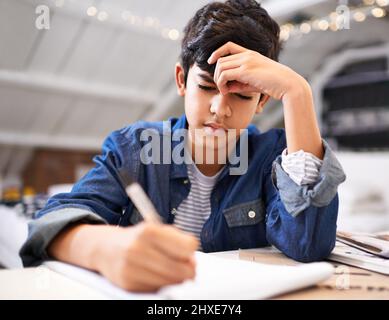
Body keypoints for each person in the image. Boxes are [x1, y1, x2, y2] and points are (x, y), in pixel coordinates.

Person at [20, 0, 346, 292]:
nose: (220, 108)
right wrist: (103, 248)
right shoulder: (134, 148)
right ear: (181, 81)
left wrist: (297, 93)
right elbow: (52, 221)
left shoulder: (272, 156)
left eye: (242, 94)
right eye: (206, 87)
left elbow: (308, 243)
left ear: (261, 101)